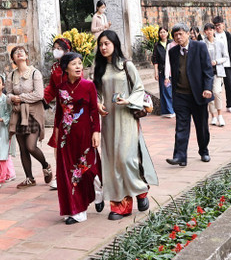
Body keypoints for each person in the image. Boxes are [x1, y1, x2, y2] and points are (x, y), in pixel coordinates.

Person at [93, 31, 157, 220]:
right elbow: (96, 92)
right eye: (101, 44)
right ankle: (120, 204)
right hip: (108, 120)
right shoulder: (99, 68)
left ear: (115, 44)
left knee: (126, 158)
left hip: (127, 117)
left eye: (107, 43)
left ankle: (141, 189)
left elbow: (139, 88)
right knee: (111, 161)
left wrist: (128, 100)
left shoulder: (126, 66)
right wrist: (98, 103)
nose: (103, 47)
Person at [46, 51, 101, 224]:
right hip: (65, 136)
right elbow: (58, 114)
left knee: (88, 169)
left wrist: (96, 132)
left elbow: (94, 111)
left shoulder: (88, 85)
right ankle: (77, 210)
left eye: (79, 63)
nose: (78, 66)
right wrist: (56, 135)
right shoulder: (61, 88)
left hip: (85, 134)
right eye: (74, 64)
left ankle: (97, 190)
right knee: (68, 172)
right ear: (66, 68)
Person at [165, 23, 214, 167]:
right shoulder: (173, 52)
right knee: (181, 126)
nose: (178, 37)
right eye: (175, 35)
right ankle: (180, 156)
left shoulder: (199, 47)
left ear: (188, 33)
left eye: (180, 34)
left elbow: (207, 70)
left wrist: (207, 88)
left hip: (198, 94)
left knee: (202, 126)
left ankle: (204, 150)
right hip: (181, 95)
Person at [7, 45, 51, 189]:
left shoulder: (35, 73)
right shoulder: (12, 75)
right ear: (13, 58)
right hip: (18, 114)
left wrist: (20, 98)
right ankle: (29, 178)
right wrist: (13, 98)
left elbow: (39, 94)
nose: (19, 53)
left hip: (32, 113)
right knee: (23, 148)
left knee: (31, 146)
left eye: (22, 51)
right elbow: (7, 95)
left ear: (27, 56)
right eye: (15, 52)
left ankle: (46, 166)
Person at [45, 38, 73, 189]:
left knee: (72, 141)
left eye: (59, 48)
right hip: (60, 110)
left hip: (73, 109)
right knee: (58, 142)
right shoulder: (55, 67)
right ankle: (60, 175)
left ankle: (74, 172)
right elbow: (51, 88)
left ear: (66, 50)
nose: (56, 50)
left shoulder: (73, 64)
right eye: (54, 48)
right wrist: (42, 99)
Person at [201, 23, 229, 127]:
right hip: (206, 73)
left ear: (214, 31)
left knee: (217, 92)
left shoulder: (220, 43)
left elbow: (226, 56)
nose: (209, 32)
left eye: (211, 30)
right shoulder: (202, 43)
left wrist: (216, 61)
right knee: (209, 94)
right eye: (207, 30)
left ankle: (220, 115)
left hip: (217, 71)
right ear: (204, 32)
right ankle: (213, 116)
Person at [0, 74, 15, 189]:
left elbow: (10, 114)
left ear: (3, 85)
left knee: (2, 152)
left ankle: (0, 178)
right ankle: (10, 174)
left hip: (3, 129)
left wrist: (1, 119)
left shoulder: (5, 99)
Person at [212, 16, 231, 113]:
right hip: (217, 65)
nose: (218, 27)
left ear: (223, 24)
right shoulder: (213, 36)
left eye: (219, 25)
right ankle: (216, 106)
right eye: (215, 26)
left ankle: (230, 105)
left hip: (227, 64)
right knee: (216, 87)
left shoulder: (228, 35)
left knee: (229, 85)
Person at [150, 26, 176, 118]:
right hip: (162, 70)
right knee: (165, 90)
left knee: (173, 90)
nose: (162, 34)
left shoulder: (171, 43)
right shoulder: (157, 45)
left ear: (167, 33)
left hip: (172, 70)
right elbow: (155, 60)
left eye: (164, 32)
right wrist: (156, 72)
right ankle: (168, 111)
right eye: (161, 32)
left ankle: (173, 109)